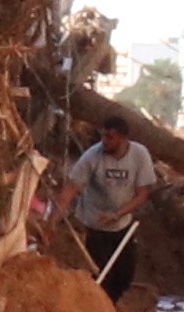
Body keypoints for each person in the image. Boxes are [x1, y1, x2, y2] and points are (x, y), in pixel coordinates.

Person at [67, 123, 160, 299]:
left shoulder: (139, 155)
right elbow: (71, 188)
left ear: (123, 138)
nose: (104, 141)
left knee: (124, 276)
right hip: (96, 224)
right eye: (103, 136)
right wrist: (51, 221)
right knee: (103, 276)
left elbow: (142, 194)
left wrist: (117, 214)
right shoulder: (92, 156)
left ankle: (111, 308)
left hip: (122, 224)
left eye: (110, 137)